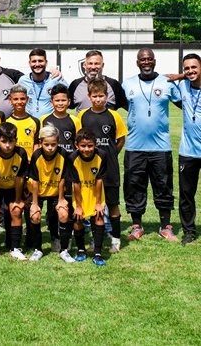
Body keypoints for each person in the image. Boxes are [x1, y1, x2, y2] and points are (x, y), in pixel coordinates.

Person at [122, 48, 181, 241]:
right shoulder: (128, 84)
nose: (146, 62)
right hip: (134, 146)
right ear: (137, 62)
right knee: (134, 186)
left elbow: (185, 102)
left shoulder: (167, 83)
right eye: (142, 59)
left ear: (154, 61)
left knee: (163, 186)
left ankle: (165, 226)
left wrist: (183, 76)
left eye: (149, 59)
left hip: (161, 147)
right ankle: (136, 226)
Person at [78, 78, 127, 253]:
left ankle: (115, 238)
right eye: (95, 96)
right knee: (92, 204)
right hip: (90, 169)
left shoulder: (114, 115)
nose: (98, 99)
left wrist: (111, 154)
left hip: (111, 168)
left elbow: (120, 139)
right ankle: (95, 239)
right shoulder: (83, 115)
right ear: (89, 96)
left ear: (106, 96)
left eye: (101, 96)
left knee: (112, 203)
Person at [26, 125, 73, 262]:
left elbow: (63, 178)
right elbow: (34, 180)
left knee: (63, 214)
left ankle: (63, 250)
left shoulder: (63, 154)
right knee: (34, 216)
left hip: (55, 191)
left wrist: (61, 199)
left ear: (58, 142)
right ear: (41, 143)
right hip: (39, 191)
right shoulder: (36, 155)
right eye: (46, 144)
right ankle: (37, 249)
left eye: (53, 144)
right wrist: (34, 203)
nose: (50, 148)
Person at [0, 122, 28, 260]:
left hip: (13, 188)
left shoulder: (21, 153)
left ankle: (15, 248)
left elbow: (20, 179)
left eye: (11, 141)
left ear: (16, 140)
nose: (7, 145)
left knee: (15, 210)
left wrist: (18, 200)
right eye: (3, 141)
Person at [68, 128, 108, 266]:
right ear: (76, 145)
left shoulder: (102, 155)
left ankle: (97, 253)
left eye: (90, 145)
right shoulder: (72, 158)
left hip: (95, 191)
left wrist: (98, 202)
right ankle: (81, 250)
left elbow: (99, 180)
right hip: (80, 192)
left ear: (95, 144)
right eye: (83, 146)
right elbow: (76, 183)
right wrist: (78, 206)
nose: (86, 149)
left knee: (98, 216)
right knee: (78, 218)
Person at [176, 53, 201, 245]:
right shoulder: (183, 86)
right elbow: (166, 78)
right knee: (186, 194)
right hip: (188, 152)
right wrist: (180, 76)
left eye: (194, 67)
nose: (190, 71)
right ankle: (189, 231)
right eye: (187, 68)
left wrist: (183, 75)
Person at [18, 48, 68, 118]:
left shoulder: (56, 79)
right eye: (34, 61)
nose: (37, 64)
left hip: (50, 123)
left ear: (46, 62)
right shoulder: (23, 80)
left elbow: (68, 98)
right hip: (30, 123)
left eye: (40, 61)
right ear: (29, 63)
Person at [40, 84, 81, 154]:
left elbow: (79, 142)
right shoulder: (44, 119)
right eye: (57, 100)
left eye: (63, 100)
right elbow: (40, 141)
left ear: (69, 102)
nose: (60, 103)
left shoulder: (75, 120)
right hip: (51, 159)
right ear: (51, 103)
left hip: (69, 160)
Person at [6, 84, 40, 160]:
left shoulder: (35, 121)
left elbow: (36, 144)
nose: (19, 102)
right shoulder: (6, 121)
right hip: (11, 162)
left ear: (27, 99)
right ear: (10, 100)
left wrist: (34, 160)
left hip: (29, 163)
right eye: (15, 99)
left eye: (22, 99)